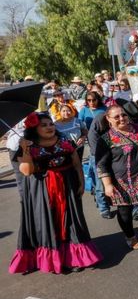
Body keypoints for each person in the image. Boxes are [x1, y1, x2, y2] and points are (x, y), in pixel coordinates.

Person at [9, 112, 103, 274]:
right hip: (41, 190)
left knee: (70, 221)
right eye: (43, 125)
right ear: (34, 129)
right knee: (47, 222)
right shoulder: (28, 146)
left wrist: (81, 182)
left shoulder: (65, 141)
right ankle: (51, 259)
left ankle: (73, 258)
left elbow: (76, 163)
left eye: (51, 124)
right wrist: (25, 150)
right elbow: (26, 171)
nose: (49, 127)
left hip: (67, 186)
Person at [96, 105, 138, 250]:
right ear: (108, 119)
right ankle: (130, 236)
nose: (122, 119)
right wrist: (107, 184)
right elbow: (101, 164)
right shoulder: (106, 139)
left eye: (124, 115)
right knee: (125, 212)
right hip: (121, 181)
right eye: (117, 117)